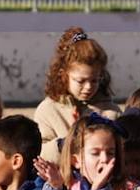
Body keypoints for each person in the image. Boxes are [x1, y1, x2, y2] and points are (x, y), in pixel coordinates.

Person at [35, 27, 121, 162]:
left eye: (94, 80)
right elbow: (39, 151)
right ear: (64, 76)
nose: (88, 87)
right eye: (81, 81)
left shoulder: (111, 112)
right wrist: (64, 144)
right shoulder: (48, 110)